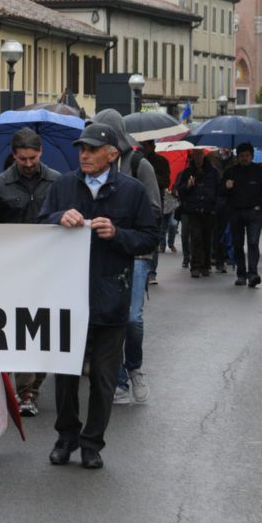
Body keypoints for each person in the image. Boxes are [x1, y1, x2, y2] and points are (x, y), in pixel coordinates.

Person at [37, 122, 156, 469]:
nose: (84, 155)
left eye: (91, 149)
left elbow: (149, 237)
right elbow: (39, 225)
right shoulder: (63, 185)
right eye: (82, 149)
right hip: (68, 295)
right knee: (66, 376)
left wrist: (117, 234)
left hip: (110, 297)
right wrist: (59, 217)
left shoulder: (131, 191)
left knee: (104, 378)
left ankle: (92, 443)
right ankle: (66, 437)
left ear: (112, 154)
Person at [0, 128, 61, 417]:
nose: (28, 163)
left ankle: (33, 383)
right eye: (23, 158)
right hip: (12, 269)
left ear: (41, 153)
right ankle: (26, 390)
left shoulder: (57, 182)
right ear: (13, 155)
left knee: (46, 330)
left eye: (33, 157)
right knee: (22, 328)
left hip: (48, 267)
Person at [93, 109, 159, 405]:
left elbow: (154, 209)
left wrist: (121, 225)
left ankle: (134, 368)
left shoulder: (138, 164)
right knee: (108, 316)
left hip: (136, 253)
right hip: (103, 255)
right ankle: (117, 379)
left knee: (132, 318)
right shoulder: (91, 167)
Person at [220, 142, 262, 288]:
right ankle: (241, 274)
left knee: (253, 242)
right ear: (237, 157)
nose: (244, 158)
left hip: (254, 213)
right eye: (241, 156)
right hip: (236, 212)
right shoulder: (230, 172)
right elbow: (221, 192)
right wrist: (226, 187)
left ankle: (253, 273)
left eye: (247, 156)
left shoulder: (260, 172)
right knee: (238, 244)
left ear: (251, 156)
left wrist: (260, 205)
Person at [175, 148, 220, 278]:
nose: (198, 157)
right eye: (196, 154)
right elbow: (180, 192)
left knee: (206, 238)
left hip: (208, 210)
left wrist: (214, 208)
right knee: (195, 237)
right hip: (193, 210)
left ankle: (206, 265)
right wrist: (187, 186)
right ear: (193, 155)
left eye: (200, 154)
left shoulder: (213, 172)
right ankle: (195, 266)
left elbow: (218, 191)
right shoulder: (187, 172)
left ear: (204, 155)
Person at [140, 139, 171, 285]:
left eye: (146, 145)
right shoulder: (137, 160)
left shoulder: (161, 161)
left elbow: (166, 182)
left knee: (155, 235)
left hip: (156, 200)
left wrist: (150, 173)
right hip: (140, 201)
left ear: (153, 146)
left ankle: (152, 272)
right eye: (142, 145)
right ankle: (142, 269)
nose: (144, 148)